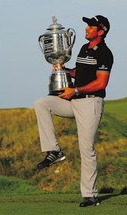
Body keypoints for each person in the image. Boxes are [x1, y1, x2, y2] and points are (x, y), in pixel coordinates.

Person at [34, 15, 114, 207]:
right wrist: (63, 70)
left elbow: (101, 82)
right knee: (42, 103)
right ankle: (54, 150)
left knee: (86, 150)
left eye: (90, 26)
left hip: (90, 103)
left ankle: (90, 195)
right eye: (87, 26)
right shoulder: (84, 48)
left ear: (100, 31)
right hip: (74, 101)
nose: (86, 28)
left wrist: (76, 90)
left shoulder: (104, 53)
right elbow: (79, 72)